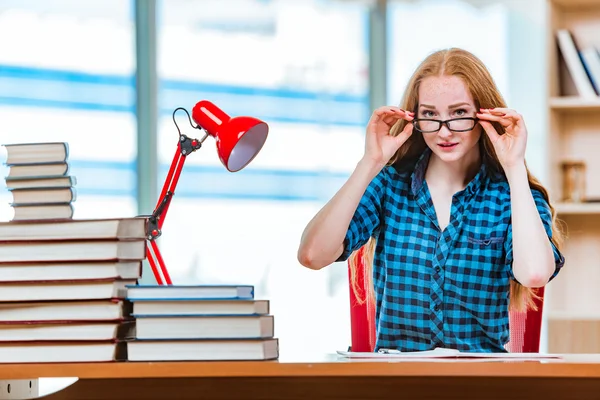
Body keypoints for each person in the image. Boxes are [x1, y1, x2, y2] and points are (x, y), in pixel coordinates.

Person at [296, 48, 565, 353]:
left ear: (484, 115)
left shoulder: (511, 198)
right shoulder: (389, 186)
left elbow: (534, 274)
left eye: (459, 113)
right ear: (415, 118)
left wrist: (514, 165)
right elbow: (312, 255)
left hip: (480, 384)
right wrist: (370, 162)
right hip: (399, 382)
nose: (444, 131)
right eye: (430, 115)